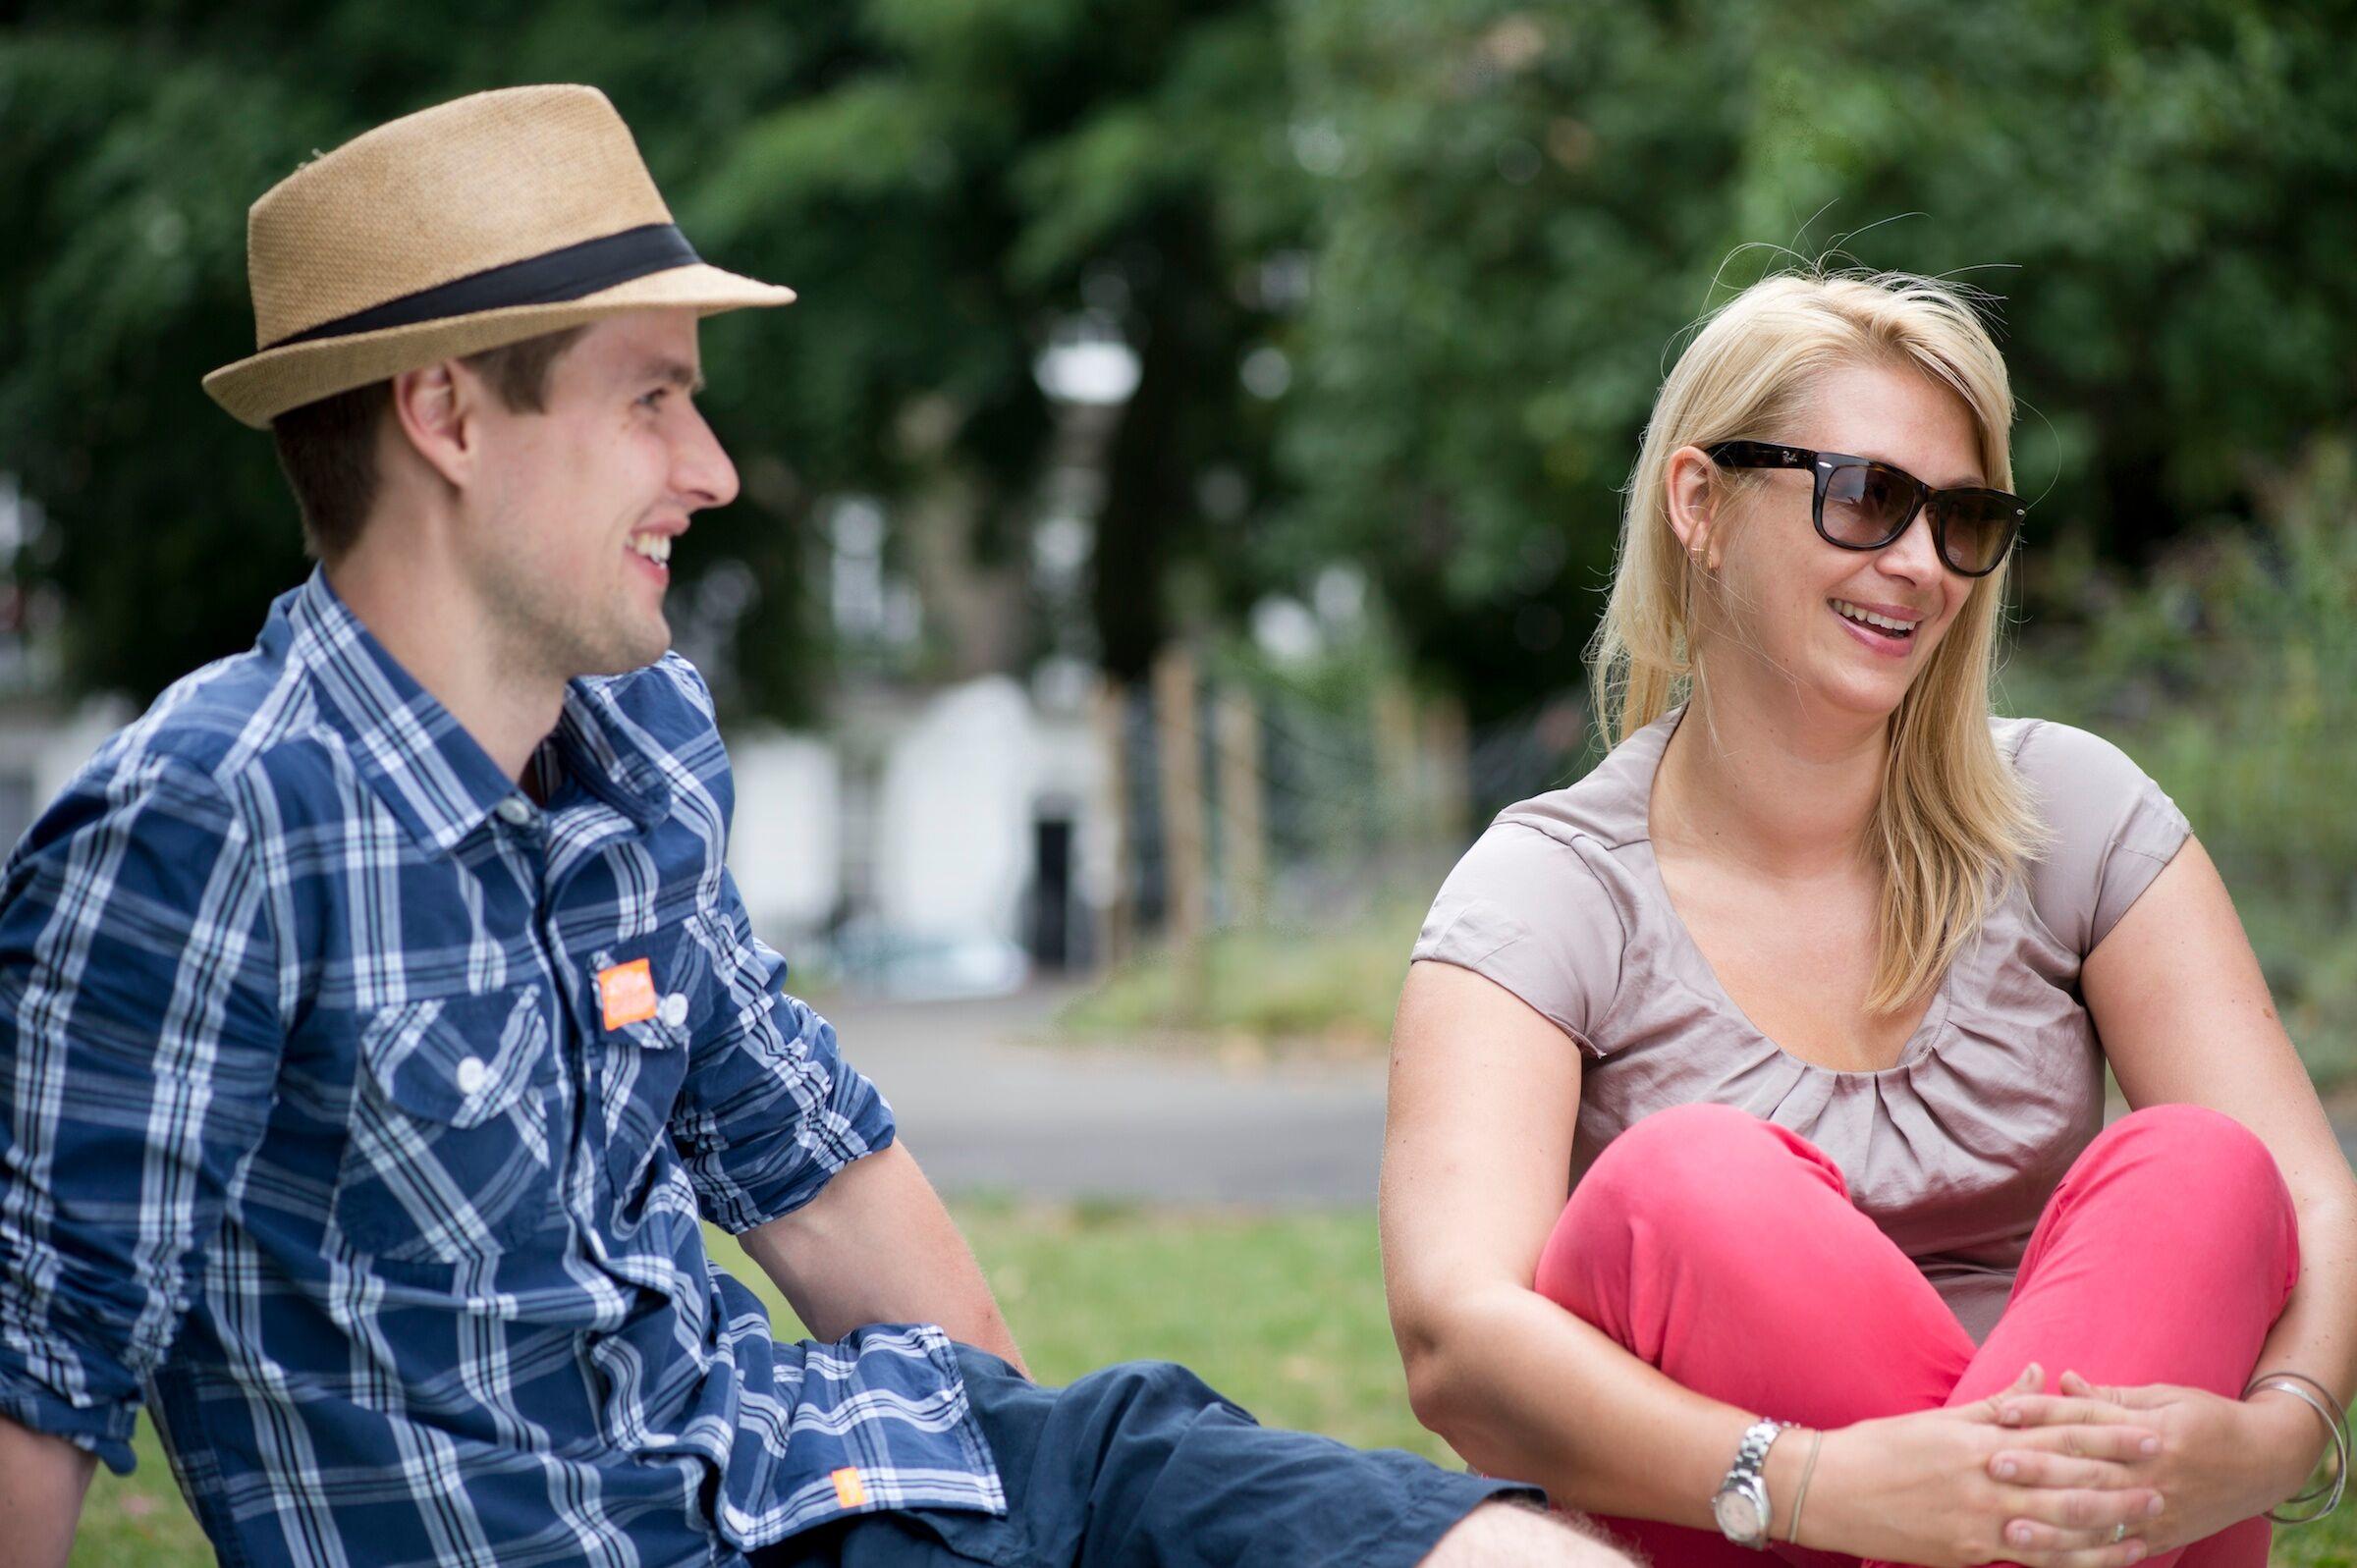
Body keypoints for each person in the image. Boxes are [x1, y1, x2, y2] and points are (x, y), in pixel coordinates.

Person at [0, 84, 1623, 1568]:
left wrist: (1036, 1523)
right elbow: (38, 1355)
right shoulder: (209, 818)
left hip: (829, 1478)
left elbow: (814, 1169)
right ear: (447, 415)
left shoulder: (635, 745)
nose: (708, 469)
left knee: (1304, 1503)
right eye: (650, 401)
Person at [1380, 268, 2357, 1568]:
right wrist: (1812, 1485)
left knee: (2205, 1169)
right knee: (1691, 1185)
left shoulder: (2071, 815)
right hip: (1748, 1523)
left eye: (1963, 519)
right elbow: (1456, 1336)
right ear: (1701, 504)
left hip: (2120, 1525)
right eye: (1867, 496)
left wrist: (2279, 1438)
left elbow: (2312, 1197)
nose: (1919, 563)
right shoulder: (1549, 892)